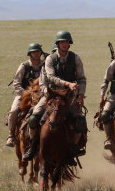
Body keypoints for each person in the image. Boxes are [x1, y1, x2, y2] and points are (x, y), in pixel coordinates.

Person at [23, 31, 87, 165]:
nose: (64, 44)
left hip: (69, 97)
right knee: (34, 118)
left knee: (80, 122)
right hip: (51, 95)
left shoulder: (76, 58)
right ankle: (33, 147)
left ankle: (72, 150)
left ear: (69, 44)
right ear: (57, 44)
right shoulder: (50, 59)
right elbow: (50, 77)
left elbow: (81, 79)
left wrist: (81, 95)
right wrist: (67, 83)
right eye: (62, 42)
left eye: (67, 42)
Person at [5, 43, 44, 147]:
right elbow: (16, 83)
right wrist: (26, 93)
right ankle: (11, 135)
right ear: (29, 53)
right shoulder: (24, 66)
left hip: (42, 95)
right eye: (34, 52)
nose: (36, 54)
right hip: (24, 95)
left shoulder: (45, 65)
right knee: (13, 111)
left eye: (38, 52)